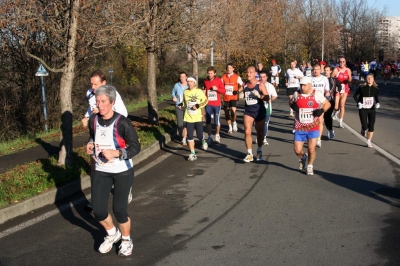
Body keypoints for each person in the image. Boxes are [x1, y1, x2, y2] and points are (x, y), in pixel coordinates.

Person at [86, 85, 141, 256]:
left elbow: (135, 147)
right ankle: (112, 234)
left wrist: (116, 153)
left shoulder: (122, 122)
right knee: (98, 210)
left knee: (119, 210)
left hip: (122, 171)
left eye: (103, 102)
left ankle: (126, 239)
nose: (99, 106)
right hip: (101, 169)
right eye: (97, 102)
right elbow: (93, 135)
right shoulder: (93, 120)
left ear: (112, 102)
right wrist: (89, 144)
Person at [82, 70, 130, 214]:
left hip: (113, 133)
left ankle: (125, 188)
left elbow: (123, 114)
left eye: (96, 84)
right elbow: (90, 109)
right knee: (95, 165)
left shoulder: (113, 94)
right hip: (97, 132)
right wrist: (86, 117)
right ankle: (96, 200)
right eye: (91, 84)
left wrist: (102, 111)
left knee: (114, 163)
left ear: (104, 83)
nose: (93, 87)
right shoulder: (89, 93)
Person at [289, 76, 331, 175]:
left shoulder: (316, 94)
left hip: (313, 126)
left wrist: (321, 110)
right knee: (297, 150)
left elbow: (328, 104)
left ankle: (310, 166)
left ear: (310, 85)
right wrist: (292, 105)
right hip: (300, 126)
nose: (302, 87)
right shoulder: (297, 93)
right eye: (301, 85)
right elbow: (291, 101)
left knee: (311, 149)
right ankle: (303, 157)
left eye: (304, 85)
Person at [242, 66, 270, 162]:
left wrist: (259, 96)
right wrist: (240, 95)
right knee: (247, 132)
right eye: (247, 72)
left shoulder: (260, 84)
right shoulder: (244, 85)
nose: (248, 74)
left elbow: (268, 98)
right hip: (248, 111)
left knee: (260, 132)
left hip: (259, 111)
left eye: (251, 72)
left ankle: (259, 149)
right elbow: (242, 94)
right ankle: (249, 153)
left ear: (255, 74)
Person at [179, 77, 208, 161]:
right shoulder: (185, 92)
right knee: (190, 136)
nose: (189, 83)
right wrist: (181, 104)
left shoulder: (199, 91)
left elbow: (206, 101)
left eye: (191, 81)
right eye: (188, 81)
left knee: (199, 135)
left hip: (198, 117)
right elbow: (185, 102)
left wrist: (198, 106)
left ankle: (202, 140)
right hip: (188, 117)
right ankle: (193, 153)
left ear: (194, 83)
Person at [353, 74, 380, 148]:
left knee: (371, 125)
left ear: (373, 79)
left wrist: (377, 103)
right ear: (366, 79)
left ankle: (369, 141)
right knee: (365, 125)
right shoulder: (362, 87)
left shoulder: (376, 88)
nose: (369, 79)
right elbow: (355, 95)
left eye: (371, 78)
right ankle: (363, 128)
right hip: (363, 109)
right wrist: (358, 102)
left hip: (371, 109)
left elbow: (376, 97)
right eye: (368, 78)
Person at [203, 66, 226, 144]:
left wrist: (217, 89)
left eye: (211, 73)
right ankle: (209, 137)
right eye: (209, 73)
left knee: (216, 120)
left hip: (216, 104)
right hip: (208, 103)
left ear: (214, 73)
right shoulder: (205, 81)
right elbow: (204, 90)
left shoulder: (218, 80)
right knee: (208, 121)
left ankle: (217, 134)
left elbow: (224, 91)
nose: (210, 75)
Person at [221, 63, 244, 134]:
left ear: (233, 69)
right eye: (228, 68)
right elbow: (220, 86)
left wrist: (237, 91)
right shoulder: (223, 77)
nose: (229, 69)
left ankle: (234, 122)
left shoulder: (237, 77)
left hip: (233, 97)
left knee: (233, 111)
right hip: (226, 97)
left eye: (230, 68)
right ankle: (230, 127)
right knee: (226, 112)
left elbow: (242, 86)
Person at [311, 63, 330, 148]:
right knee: (311, 121)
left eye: (318, 69)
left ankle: (319, 139)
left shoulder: (324, 79)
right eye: (314, 69)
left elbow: (327, 90)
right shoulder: (310, 79)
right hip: (311, 103)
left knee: (320, 121)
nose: (316, 71)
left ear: (320, 70)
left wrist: (327, 92)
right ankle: (311, 137)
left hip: (320, 102)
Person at [331, 56, 352, 128]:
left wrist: (348, 80)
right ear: (338, 62)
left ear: (345, 62)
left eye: (343, 61)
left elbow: (350, 78)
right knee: (336, 105)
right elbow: (332, 77)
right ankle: (335, 111)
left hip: (345, 89)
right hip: (337, 88)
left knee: (342, 105)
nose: (342, 63)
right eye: (340, 62)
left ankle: (340, 121)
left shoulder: (348, 70)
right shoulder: (336, 69)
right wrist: (336, 81)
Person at [259, 70, 278, 145]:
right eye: (260, 77)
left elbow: (275, 96)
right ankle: (259, 136)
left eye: (264, 77)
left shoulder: (270, 86)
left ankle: (264, 138)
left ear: (266, 77)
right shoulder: (256, 85)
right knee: (257, 124)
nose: (262, 78)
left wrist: (270, 100)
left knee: (265, 123)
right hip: (257, 107)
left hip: (267, 107)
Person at [171, 72, 188, 145]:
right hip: (178, 106)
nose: (182, 78)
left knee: (185, 123)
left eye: (184, 77)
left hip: (187, 106)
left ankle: (184, 138)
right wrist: (173, 97)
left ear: (186, 77)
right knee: (180, 124)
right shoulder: (176, 85)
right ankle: (181, 134)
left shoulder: (189, 85)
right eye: (181, 77)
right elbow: (173, 93)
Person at [323, 66, 338, 139]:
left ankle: (330, 130)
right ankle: (328, 130)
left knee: (328, 116)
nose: (326, 72)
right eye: (325, 70)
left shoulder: (334, 80)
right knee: (324, 117)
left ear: (330, 71)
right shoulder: (320, 79)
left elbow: (338, 92)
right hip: (321, 101)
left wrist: (337, 104)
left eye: (327, 70)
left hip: (330, 101)